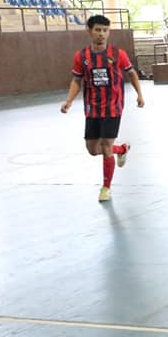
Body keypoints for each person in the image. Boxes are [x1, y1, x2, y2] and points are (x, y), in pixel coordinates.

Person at [60, 14, 145, 202]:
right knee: (93, 149)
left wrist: (139, 94)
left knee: (106, 146)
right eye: (97, 30)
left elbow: (131, 74)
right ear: (89, 31)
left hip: (113, 108)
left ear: (109, 32)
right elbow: (77, 80)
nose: (101, 34)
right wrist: (69, 101)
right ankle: (121, 149)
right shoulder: (82, 57)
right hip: (92, 109)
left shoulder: (118, 54)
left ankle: (106, 187)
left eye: (105, 30)